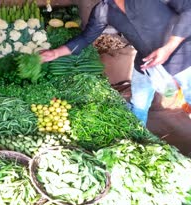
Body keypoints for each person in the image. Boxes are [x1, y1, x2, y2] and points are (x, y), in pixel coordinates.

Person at [41, 0, 191, 126]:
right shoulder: (104, 9)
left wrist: (168, 48)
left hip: (183, 57)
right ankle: (139, 143)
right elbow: (86, 38)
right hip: (146, 63)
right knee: (138, 108)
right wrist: (55, 53)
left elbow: (188, 10)